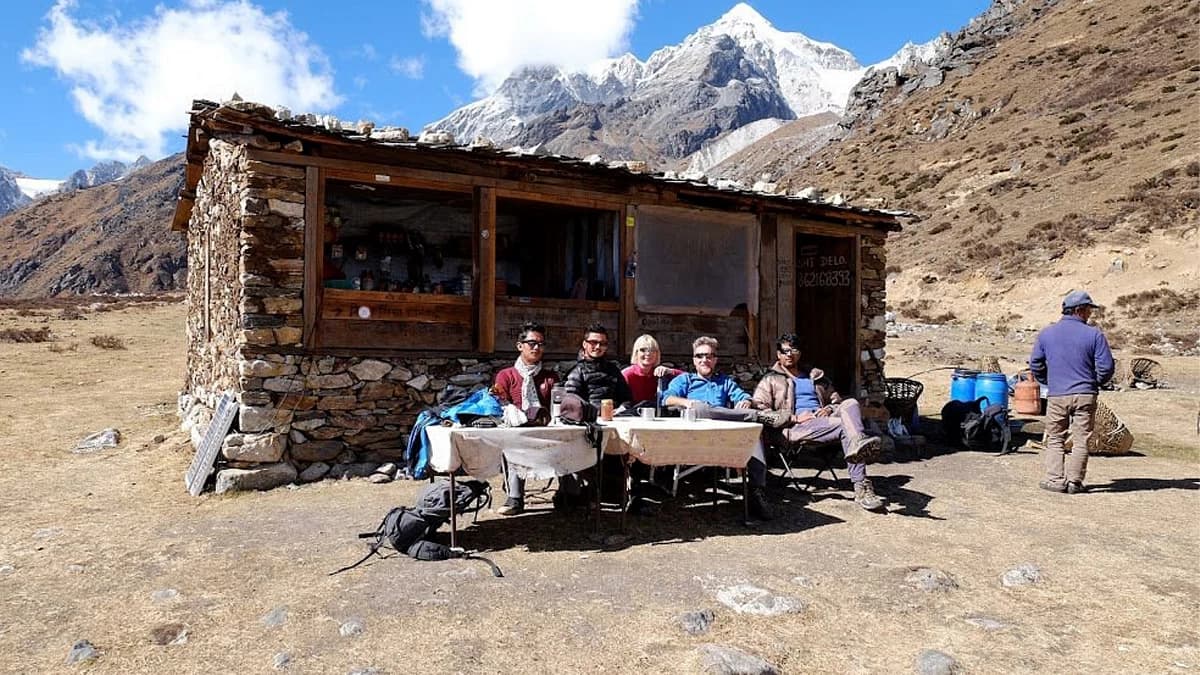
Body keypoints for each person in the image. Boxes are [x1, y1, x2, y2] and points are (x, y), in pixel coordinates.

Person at [752, 333, 885, 512]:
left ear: (800, 353)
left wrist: (828, 409)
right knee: (846, 428)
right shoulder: (770, 380)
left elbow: (836, 401)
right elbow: (760, 412)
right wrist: (793, 418)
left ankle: (856, 445)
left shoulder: (815, 376)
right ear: (778, 354)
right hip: (795, 427)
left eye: (794, 350)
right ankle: (861, 485)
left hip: (824, 420)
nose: (789, 354)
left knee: (851, 403)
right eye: (784, 351)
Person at [661, 336, 788, 519]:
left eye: (710, 356)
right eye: (700, 356)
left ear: (715, 360)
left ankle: (756, 492)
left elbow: (742, 396)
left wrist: (744, 401)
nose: (705, 359)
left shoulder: (724, 381)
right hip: (695, 432)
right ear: (694, 360)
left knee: (753, 430)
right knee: (701, 408)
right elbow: (667, 399)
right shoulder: (685, 380)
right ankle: (759, 416)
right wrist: (688, 403)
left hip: (726, 434)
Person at [1030, 290, 1115, 495]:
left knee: (1056, 437)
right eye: (1088, 311)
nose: (1090, 315)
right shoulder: (1094, 335)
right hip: (1085, 393)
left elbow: (1035, 363)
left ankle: (1055, 480)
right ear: (1079, 310)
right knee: (1081, 440)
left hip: (1058, 394)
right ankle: (1075, 482)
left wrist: (1048, 381)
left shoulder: (1047, 333)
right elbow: (1107, 367)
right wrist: (1095, 383)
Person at [490, 321, 559, 515]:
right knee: (512, 443)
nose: (536, 347)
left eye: (540, 344)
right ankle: (515, 497)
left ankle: (569, 494)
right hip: (516, 430)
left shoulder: (550, 377)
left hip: (546, 430)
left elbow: (558, 405)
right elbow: (499, 404)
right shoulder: (506, 375)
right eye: (532, 343)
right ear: (520, 346)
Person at [563, 324, 633, 413]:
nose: (598, 347)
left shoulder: (613, 370)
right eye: (593, 342)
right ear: (585, 344)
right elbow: (572, 400)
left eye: (602, 344)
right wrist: (592, 413)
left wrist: (621, 409)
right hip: (588, 421)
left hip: (615, 419)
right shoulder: (577, 371)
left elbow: (627, 398)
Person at [621, 334, 683, 405]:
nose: (648, 353)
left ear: (657, 354)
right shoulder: (627, 374)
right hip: (631, 413)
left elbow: (688, 378)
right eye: (643, 350)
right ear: (636, 353)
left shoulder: (660, 373)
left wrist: (670, 371)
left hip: (656, 413)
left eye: (652, 350)